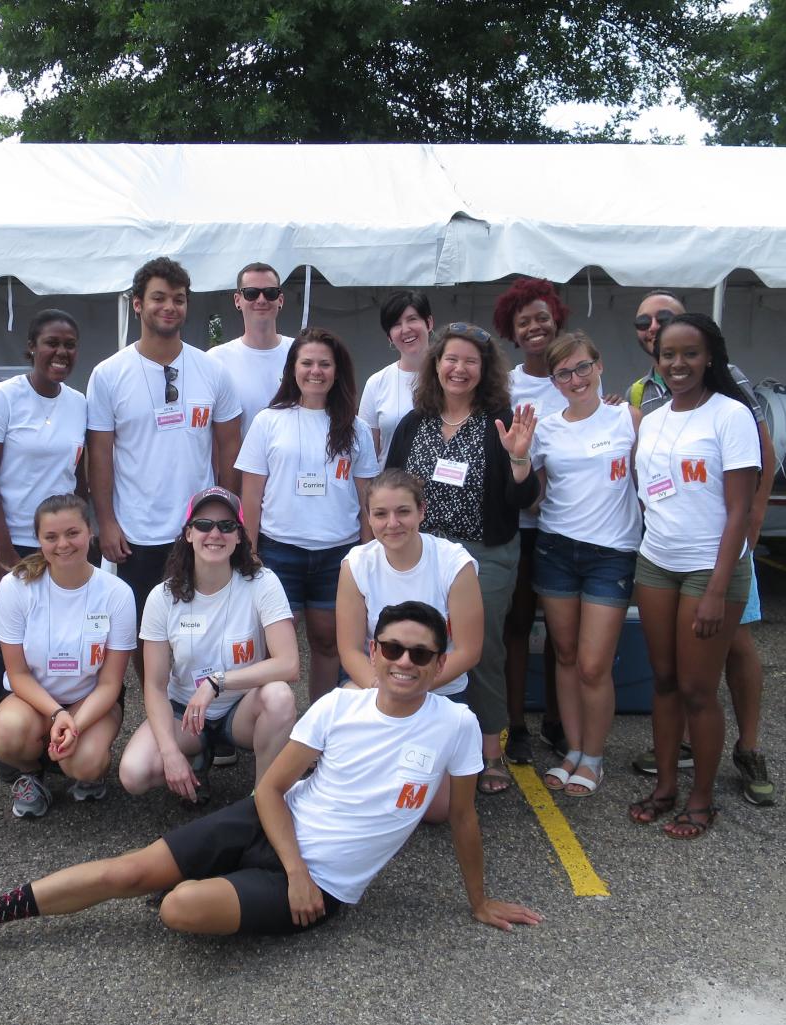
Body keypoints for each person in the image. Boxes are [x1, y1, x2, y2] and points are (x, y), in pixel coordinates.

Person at [0, 600, 543, 981]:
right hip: (273, 834)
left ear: (440, 660)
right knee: (129, 871)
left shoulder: (456, 725)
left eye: (420, 655)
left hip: (329, 886)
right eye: (393, 649)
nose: (404, 663)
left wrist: (479, 900)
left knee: (177, 909)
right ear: (374, 649)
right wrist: (292, 872)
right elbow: (269, 793)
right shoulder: (340, 708)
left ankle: (195, 882)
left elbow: (462, 821)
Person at [626, 289, 778, 807]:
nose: (678, 363)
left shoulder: (730, 414)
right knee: (664, 682)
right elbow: (648, 492)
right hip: (657, 564)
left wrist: (718, 588)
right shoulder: (654, 416)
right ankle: (667, 786)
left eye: (689, 353)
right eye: (668, 354)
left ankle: (702, 797)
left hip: (708, 570)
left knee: (696, 688)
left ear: (710, 356)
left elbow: (739, 508)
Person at [383, 323, 539, 796]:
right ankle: (416, 741)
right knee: (420, 645)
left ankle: (490, 752)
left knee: (482, 648)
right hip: (422, 551)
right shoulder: (415, 422)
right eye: (452, 358)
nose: (460, 368)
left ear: (485, 370)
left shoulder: (499, 421)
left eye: (472, 361)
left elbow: (525, 497)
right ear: (436, 364)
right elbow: (392, 484)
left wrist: (518, 458)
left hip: (483, 554)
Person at [86, 257, 242, 642]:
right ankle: (159, 701)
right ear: (138, 304)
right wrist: (105, 521)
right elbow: (100, 455)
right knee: (146, 632)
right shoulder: (108, 374)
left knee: (202, 626)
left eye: (179, 299)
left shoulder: (212, 370)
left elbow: (228, 450)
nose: (170, 307)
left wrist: (229, 518)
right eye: (159, 298)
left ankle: (192, 701)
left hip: (200, 528)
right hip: (137, 531)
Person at [118, 486, 299, 806]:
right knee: (134, 774)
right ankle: (195, 757)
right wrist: (170, 753)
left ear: (240, 536)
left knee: (280, 696)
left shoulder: (262, 583)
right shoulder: (162, 597)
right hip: (185, 713)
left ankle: (263, 801)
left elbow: (288, 664)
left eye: (227, 526)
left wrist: (218, 682)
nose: (214, 533)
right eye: (203, 525)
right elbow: (156, 686)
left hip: (241, 709)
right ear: (188, 534)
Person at [527, 332, 643, 799]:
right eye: (563, 373)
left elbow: (649, 478)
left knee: (595, 665)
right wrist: (516, 457)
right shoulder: (546, 429)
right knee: (567, 656)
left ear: (599, 367)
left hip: (610, 553)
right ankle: (572, 750)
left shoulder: (629, 419)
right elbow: (533, 497)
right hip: (556, 550)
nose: (574, 379)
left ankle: (594, 757)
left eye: (581, 368)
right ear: (553, 381)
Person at [236, 327, 379, 702]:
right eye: (307, 363)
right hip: (279, 550)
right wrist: (249, 552)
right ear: (293, 369)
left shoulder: (357, 428)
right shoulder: (268, 421)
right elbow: (250, 495)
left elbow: (367, 500)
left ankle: (318, 729)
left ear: (338, 370)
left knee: (328, 643)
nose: (316, 371)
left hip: (339, 555)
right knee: (273, 649)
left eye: (325, 364)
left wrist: (366, 554)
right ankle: (269, 727)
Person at [336, 471, 481, 819]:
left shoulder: (453, 563)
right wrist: (387, 690)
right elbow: (350, 650)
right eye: (380, 514)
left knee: (438, 811)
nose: (392, 523)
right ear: (368, 517)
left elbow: (468, 651)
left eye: (403, 512)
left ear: (421, 511)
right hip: (379, 688)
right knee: (348, 693)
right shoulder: (356, 564)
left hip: (438, 690)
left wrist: (412, 688)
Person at [0, 309, 87, 720]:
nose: (61, 352)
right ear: (31, 349)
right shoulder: (2, 399)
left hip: (60, 543)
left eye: (69, 345)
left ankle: (55, 732)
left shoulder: (79, 404)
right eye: (52, 343)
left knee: (57, 641)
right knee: (15, 646)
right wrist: (5, 551)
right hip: (9, 542)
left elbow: (79, 477)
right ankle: (14, 749)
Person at [0, 495, 136, 819]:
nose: (63, 544)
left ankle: (84, 768)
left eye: (72, 533)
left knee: (85, 763)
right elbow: (18, 675)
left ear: (90, 533)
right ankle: (30, 774)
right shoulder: (17, 587)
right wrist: (58, 714)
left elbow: (111, 682)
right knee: (8, 733)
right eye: (51, 537)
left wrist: (75, 723)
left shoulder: (116, 594)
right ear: (39, 541)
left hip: (90, 699)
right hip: (32, 699)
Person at [492, 278, 573, 764]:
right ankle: (517, 723)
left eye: (542, 317)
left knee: (564, 635)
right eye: (524, 322)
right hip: (520, 525)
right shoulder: (507, 384)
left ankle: (558, 722)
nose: (535, 327)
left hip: (569, 524)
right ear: (512, 332)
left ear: (557, 317)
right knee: (517, 626)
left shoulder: (576, 376)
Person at [209, 262, 293, 439]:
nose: (261, 300)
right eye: (251, 293)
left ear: (281, 300)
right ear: (237, 300)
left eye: (270, 293)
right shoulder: (215, 360)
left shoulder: (301, 353)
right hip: (238, 466)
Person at [358, 291, 434, 467]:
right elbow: (368, 456)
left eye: (412, 319)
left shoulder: (451, 377)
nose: (406, 329)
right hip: (392, 489)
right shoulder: (376, 383)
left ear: (429, 322)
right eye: (396, 324)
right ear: (389, 336)